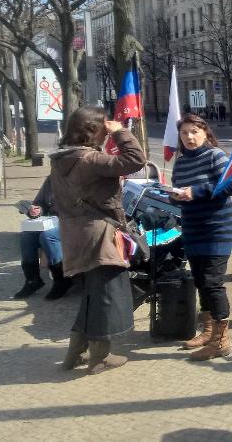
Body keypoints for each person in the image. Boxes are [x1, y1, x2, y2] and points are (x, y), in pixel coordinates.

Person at [50, 107, 146, 374]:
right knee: (106, 296)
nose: (108, 129)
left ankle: (74, 352)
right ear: (93, 130)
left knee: (92, 296)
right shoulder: (90, 159)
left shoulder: (61, 159)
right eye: (104, 126)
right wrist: (121, 133)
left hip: (75, 234)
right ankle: (99, 357)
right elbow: (136, 159)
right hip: (100, 235)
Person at [168, 113, 232, 361]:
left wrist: (195, 192)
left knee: (212, 282)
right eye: (184, 133)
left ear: (205, 133)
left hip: (217, 229)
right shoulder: (181, 161)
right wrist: (174, 196)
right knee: (200, 280)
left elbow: (231, 186)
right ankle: (208, 331)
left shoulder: (215, 156)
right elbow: (179, 189)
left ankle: (221, 341)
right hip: (192, 228)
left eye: (194, 132)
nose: (189, 137)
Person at [13, 178, 72, 300]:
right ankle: (32, 280)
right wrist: (37, 210)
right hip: (50, 221)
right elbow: (40, 202)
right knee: (26, 236)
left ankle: (61, 280)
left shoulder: (81, 175)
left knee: (47, 236)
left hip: (74, 223)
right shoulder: (51, 179)